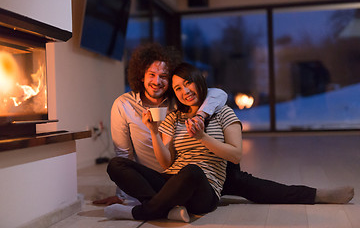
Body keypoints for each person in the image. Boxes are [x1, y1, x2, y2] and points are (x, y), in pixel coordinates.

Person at [94, 42, 354, 208]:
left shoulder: (178, 100)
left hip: (211, 170)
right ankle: (161, 205)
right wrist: (125, 194)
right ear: (140, 75)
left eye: (165, 76)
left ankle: (316, 194)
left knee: (259, 187)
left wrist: (201, 116)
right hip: (168, 174)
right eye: (152, 74)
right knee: (119, 164)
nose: (158, 81)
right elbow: (124, 154)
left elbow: (217, 94)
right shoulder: (125, 105)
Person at [104, 62, 243, 221]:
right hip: (171, 181)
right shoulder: (174, 117)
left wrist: (202, 137)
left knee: (192, 170)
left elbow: (236, 156)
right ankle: (168, 209)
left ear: (198, 80)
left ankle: (141, 212)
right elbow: (166, 163)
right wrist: (154, 131)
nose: (185, 91)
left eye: (188, 82)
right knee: (116, 164)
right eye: (178, 88)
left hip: (204, 190)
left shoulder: (222, 111)